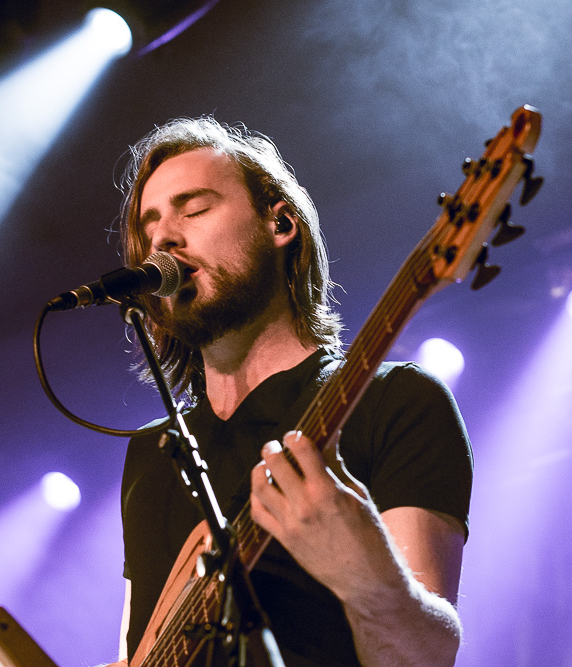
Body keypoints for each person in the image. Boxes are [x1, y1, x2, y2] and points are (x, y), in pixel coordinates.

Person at [114, 117, 473, 667]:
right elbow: (136, 652)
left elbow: (424, 660)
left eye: (194, 208)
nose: (163, 237)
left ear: (280, 223)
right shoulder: (151, 453)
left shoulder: (393, 401)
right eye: (152, 223)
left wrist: (367, 578)